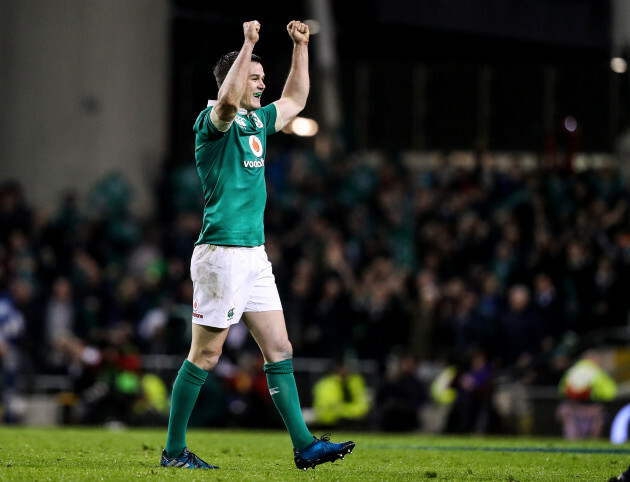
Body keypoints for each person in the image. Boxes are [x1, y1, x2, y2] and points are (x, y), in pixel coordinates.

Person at [160, 20, 355, 471]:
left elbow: (297, 100)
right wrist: (247, 43)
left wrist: (300, 47)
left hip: (253, 256)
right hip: (221, 254)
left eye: (263, 77)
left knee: (280, 349)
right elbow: (227, 100)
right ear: (234, 77)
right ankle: (173, 452)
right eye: (255, 76)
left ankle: (305, 446)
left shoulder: (257, 120)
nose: (262, 83)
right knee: (205, 354)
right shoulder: (213, 123)